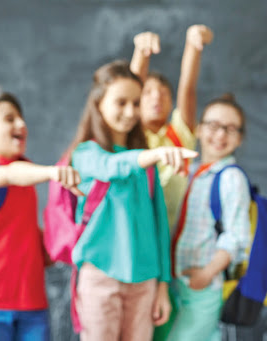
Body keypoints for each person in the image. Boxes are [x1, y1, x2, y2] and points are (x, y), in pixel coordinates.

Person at [66, 60, 197, 341]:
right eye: (121, 102)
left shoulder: (145, 161)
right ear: (99, 103)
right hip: (100, 277)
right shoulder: (86, 154)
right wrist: (155, 155)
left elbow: (160, 225)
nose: (130, 112)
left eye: (136, 103)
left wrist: (162, 284)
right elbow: (112, 166)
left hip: (145, 281)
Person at [0, 90, 81, 341]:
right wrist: (53, 172)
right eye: (9, 119)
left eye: (21, 118)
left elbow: (24, 231)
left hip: (33, 304)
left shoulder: (28, 175)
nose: (21, 124)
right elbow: (9, 175)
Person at [167, 93, 251, 341]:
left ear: (239, 139)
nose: (220, 134)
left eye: (230, 128)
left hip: (204, 285)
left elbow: (236, 236)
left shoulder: (231, 177)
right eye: (213, 125)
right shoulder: (190, 171)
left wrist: (206, 274)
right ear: (199, 130)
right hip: (177, 281)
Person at [130, 24, 214, 231]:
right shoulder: (131, 134)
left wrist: (194, 45)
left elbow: (188, 87)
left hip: (173, 235)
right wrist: (141, 53)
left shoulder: (178, 133)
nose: (157, 97)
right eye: (148, 92)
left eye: (164, 93)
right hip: (135, 231)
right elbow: (129, 89)